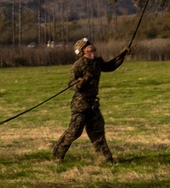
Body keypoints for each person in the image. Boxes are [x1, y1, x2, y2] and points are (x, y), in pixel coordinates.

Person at [52, 37, 128, 165]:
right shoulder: (78, 65)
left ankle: (106, 159)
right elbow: (71, 84)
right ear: (82, 50)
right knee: (74, 131)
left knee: (97, 131)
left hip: (93, 103)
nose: (91, 45)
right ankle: (58, 155)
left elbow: (110, 66)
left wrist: (123, 54)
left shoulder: (97, 62)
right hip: (80, 104)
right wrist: (81, 82)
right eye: (87, 44)